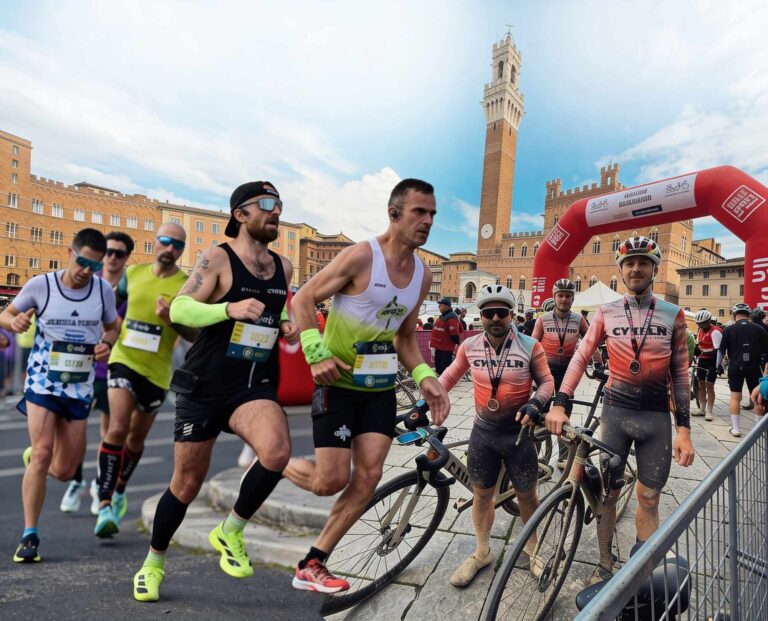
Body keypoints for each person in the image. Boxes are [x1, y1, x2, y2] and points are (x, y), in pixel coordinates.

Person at [132, 181, 298, 602]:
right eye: (266, 204)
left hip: (252, 384)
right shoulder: (217, 257)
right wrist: (228, 308)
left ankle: (231, 529)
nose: (275, 211)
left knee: (276, 453)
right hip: (205, 385)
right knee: (186, 485)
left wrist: (284, 324)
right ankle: (153, 562)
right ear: (240, 214)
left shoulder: (285, 267)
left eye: (279, 205)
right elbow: (183, 308)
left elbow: (270, 316)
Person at [283, 178, 450, 593]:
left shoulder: (422, 275)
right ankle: (270, 460)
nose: (427, 221)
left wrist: (427, 378)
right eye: (419, 212)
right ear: (394, 213)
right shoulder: (361, 256)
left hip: (377, 387)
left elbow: (406, 339)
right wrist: (315, 353)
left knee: (368, 476)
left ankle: (313, 562)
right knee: (329, 481)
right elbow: (303, 298)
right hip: (336, 383)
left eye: (432, 214)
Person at [546, 236, 695, 584]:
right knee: (609, 495)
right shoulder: (606, 312)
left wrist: (684, 429)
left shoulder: (673, 315)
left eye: (643, 262)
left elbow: (680, 373)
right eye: (630, 263)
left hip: (656, 418)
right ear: (621, 270)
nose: (636, 268)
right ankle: (604, 565)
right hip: (616, 412)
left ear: (654, 269)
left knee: (649, 498)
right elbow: (581, 356)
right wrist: (561, 401)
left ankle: (640, 574)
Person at [0, 228, 119, 562]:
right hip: (43, 381)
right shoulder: (42, 284)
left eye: (94, 266)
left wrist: (107, 343)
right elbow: (5, 314)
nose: (86, 270)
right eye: (82, 262)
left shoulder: (103, 291)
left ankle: (37, 461)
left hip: (78, 386)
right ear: (70, 251)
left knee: (66, 470)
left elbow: (113, 326)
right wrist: (16, 322)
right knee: (42, 453)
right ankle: (29, 536)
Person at [439, 285, 554, 586]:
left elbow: (546, 383)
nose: (495, 318)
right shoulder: (470, 345)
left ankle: (533, 550)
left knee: (527, 495)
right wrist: (427, 403)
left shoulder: (531, 346)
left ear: (512, 315)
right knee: (482, 495)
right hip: (484, 433)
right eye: (488, 313)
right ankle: (481, 553)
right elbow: (449, 376)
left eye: (501, 312)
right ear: (481, 316)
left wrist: (536, 402)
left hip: (518, 435)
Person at [94, 224, 198, 537]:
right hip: (124, 360)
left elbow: (194, 335)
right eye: (165, 241)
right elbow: (112, 313)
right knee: (117, 427)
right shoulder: (133, 274)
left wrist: (170, 319)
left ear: (181, 251)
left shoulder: (186, 286)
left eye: (177, 245)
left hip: (157, 372)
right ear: (155, 243)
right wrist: (108, 339)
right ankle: (104, 504)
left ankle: (121, 488)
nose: (170, 248)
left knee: (135, 441)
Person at [60, 231, 134, 515]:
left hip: (112, 368)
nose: (113, 258)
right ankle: (76, 481)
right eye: (109, 252)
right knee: (74, 429)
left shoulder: (128, 288)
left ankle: (98, 484)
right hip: (80, 364)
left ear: (126, 258)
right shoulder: (88, 281)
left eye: (119, 253)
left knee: (109, 431)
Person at [532, 279, 600, 467]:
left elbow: (590, 342)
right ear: (554, 297)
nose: (564, 299)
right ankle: (535, 457)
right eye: (560, 295)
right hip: (545, 372)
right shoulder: (543, 319)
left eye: (568, 296)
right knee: (540, 416)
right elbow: (531, 345)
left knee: (564, 417)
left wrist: (600, 364)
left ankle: (563, 457)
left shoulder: (579, 319)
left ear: (573, 298)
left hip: (568, 373)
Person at [716, 303, 768, 437]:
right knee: (757, 397)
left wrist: (719, 365)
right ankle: (758, 432)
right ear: (748, 315)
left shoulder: (728, 329)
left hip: (735, 366)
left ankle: (736, 428)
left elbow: (721, 351)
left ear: (734, 315)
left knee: (735, 398)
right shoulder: (759, 329)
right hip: (754, 366)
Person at [692, 309, 722, 422]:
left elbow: (717, 351)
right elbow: (699, 345)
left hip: (712, 361)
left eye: (703, 323)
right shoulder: (700, 330)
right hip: (702, 360)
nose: (701, 325)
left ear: (709, 321)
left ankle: (709, 411)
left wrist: (719, 365)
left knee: (709, 386)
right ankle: (702, 409)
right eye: (699, 323)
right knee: (700, 384)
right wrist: (696, 350)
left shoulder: (715, 332)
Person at [430, 297, 462, 374]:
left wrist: (458, 343)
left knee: (444, 370)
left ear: (446, 306)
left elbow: (454, 333)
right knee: (439, 370)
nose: (439, 307)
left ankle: (445, 385)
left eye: (440, 305)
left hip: (445, 349)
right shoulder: (443, 316)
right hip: (439, 347)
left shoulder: (451, 317)